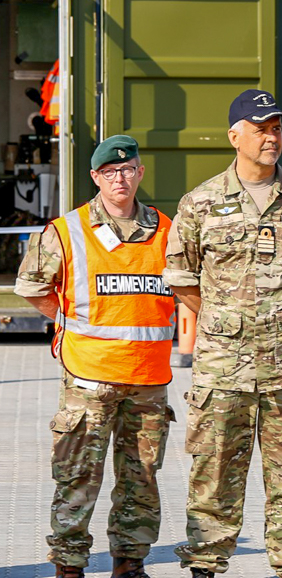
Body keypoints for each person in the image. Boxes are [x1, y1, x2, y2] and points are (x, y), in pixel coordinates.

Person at [164, 89, 282, 578]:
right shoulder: (200, 202)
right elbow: (182, 278)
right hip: (224, 367)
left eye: (277, 128)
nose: (271, 137)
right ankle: (206, 562)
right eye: (261, 128)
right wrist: (228, 316)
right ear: (234, 136)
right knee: (214, 472)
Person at [17, 135, 176, 578]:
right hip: (89, 377)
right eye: (109, 172)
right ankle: (69, 565)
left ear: (140, 172)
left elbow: (189, 291)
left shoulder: (168, 230)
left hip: (148, 379)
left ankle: (130, 563)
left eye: (127, 170)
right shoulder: (66, 230)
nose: (119, 178)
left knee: (141, 479)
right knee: (77, 478)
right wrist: (64, 320)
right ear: (95, 178)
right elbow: (31, 285)